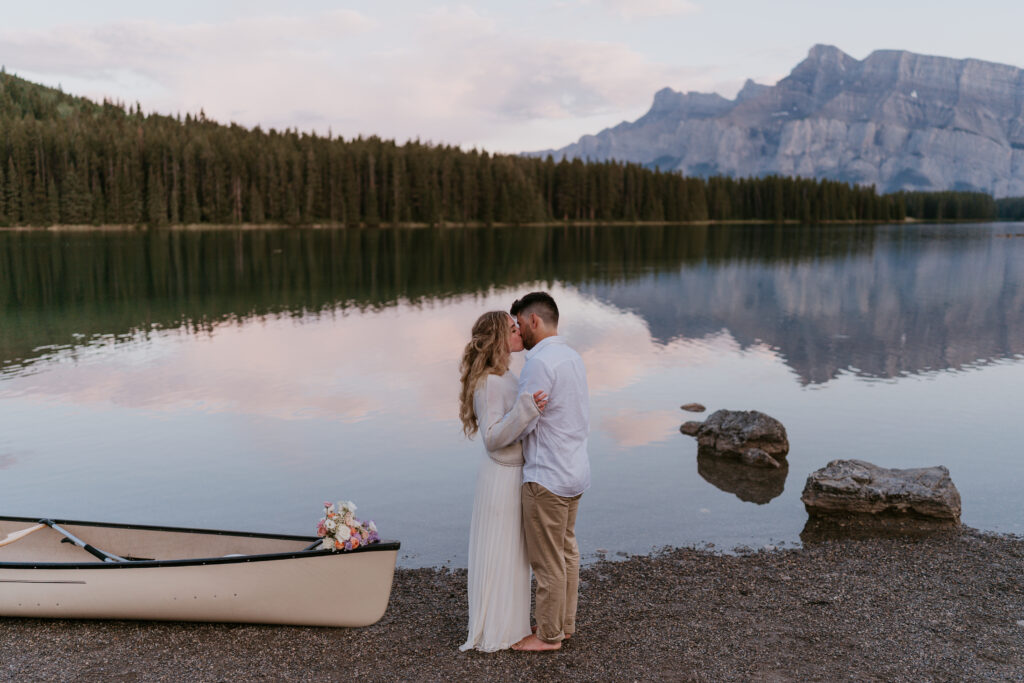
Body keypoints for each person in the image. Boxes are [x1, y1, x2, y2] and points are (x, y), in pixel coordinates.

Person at [458, 311, 549, 652]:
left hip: (516, 474)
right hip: (500, 477)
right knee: (501, 552)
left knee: (516, 554)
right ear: (499, 338)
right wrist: (526, 410)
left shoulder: (507, 375)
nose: (519, 332)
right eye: (513, 329)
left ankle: (514, 624)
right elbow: (493, 437)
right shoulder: (489, 382)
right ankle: (496, 630)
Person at [509, 292, 591, 652]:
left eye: (519, 324)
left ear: (534, 321)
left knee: (547, 562)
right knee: (567, 552)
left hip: (547, 475)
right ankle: (564, 624)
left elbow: (525, 421)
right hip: (575, 470)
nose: (518, 332)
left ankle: (548, 635)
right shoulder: (572, 357)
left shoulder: (539, 363)